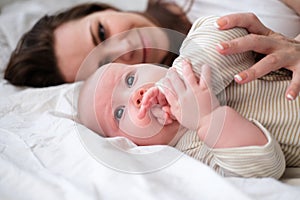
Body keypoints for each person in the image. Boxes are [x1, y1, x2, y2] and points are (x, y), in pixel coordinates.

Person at [77, 16, 300, 178]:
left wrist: (183, 78)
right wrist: (207, 119)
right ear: (129, 145)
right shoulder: (192, 154)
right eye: (119, 113)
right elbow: (264, 168)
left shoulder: (195, 62)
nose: (136, 96)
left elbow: (228, 31)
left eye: (129, 79)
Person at [4, 0, 300, 101]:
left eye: (102, 33)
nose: (124, 51)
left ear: (105, 9)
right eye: (104, 64)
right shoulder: (193, 99)